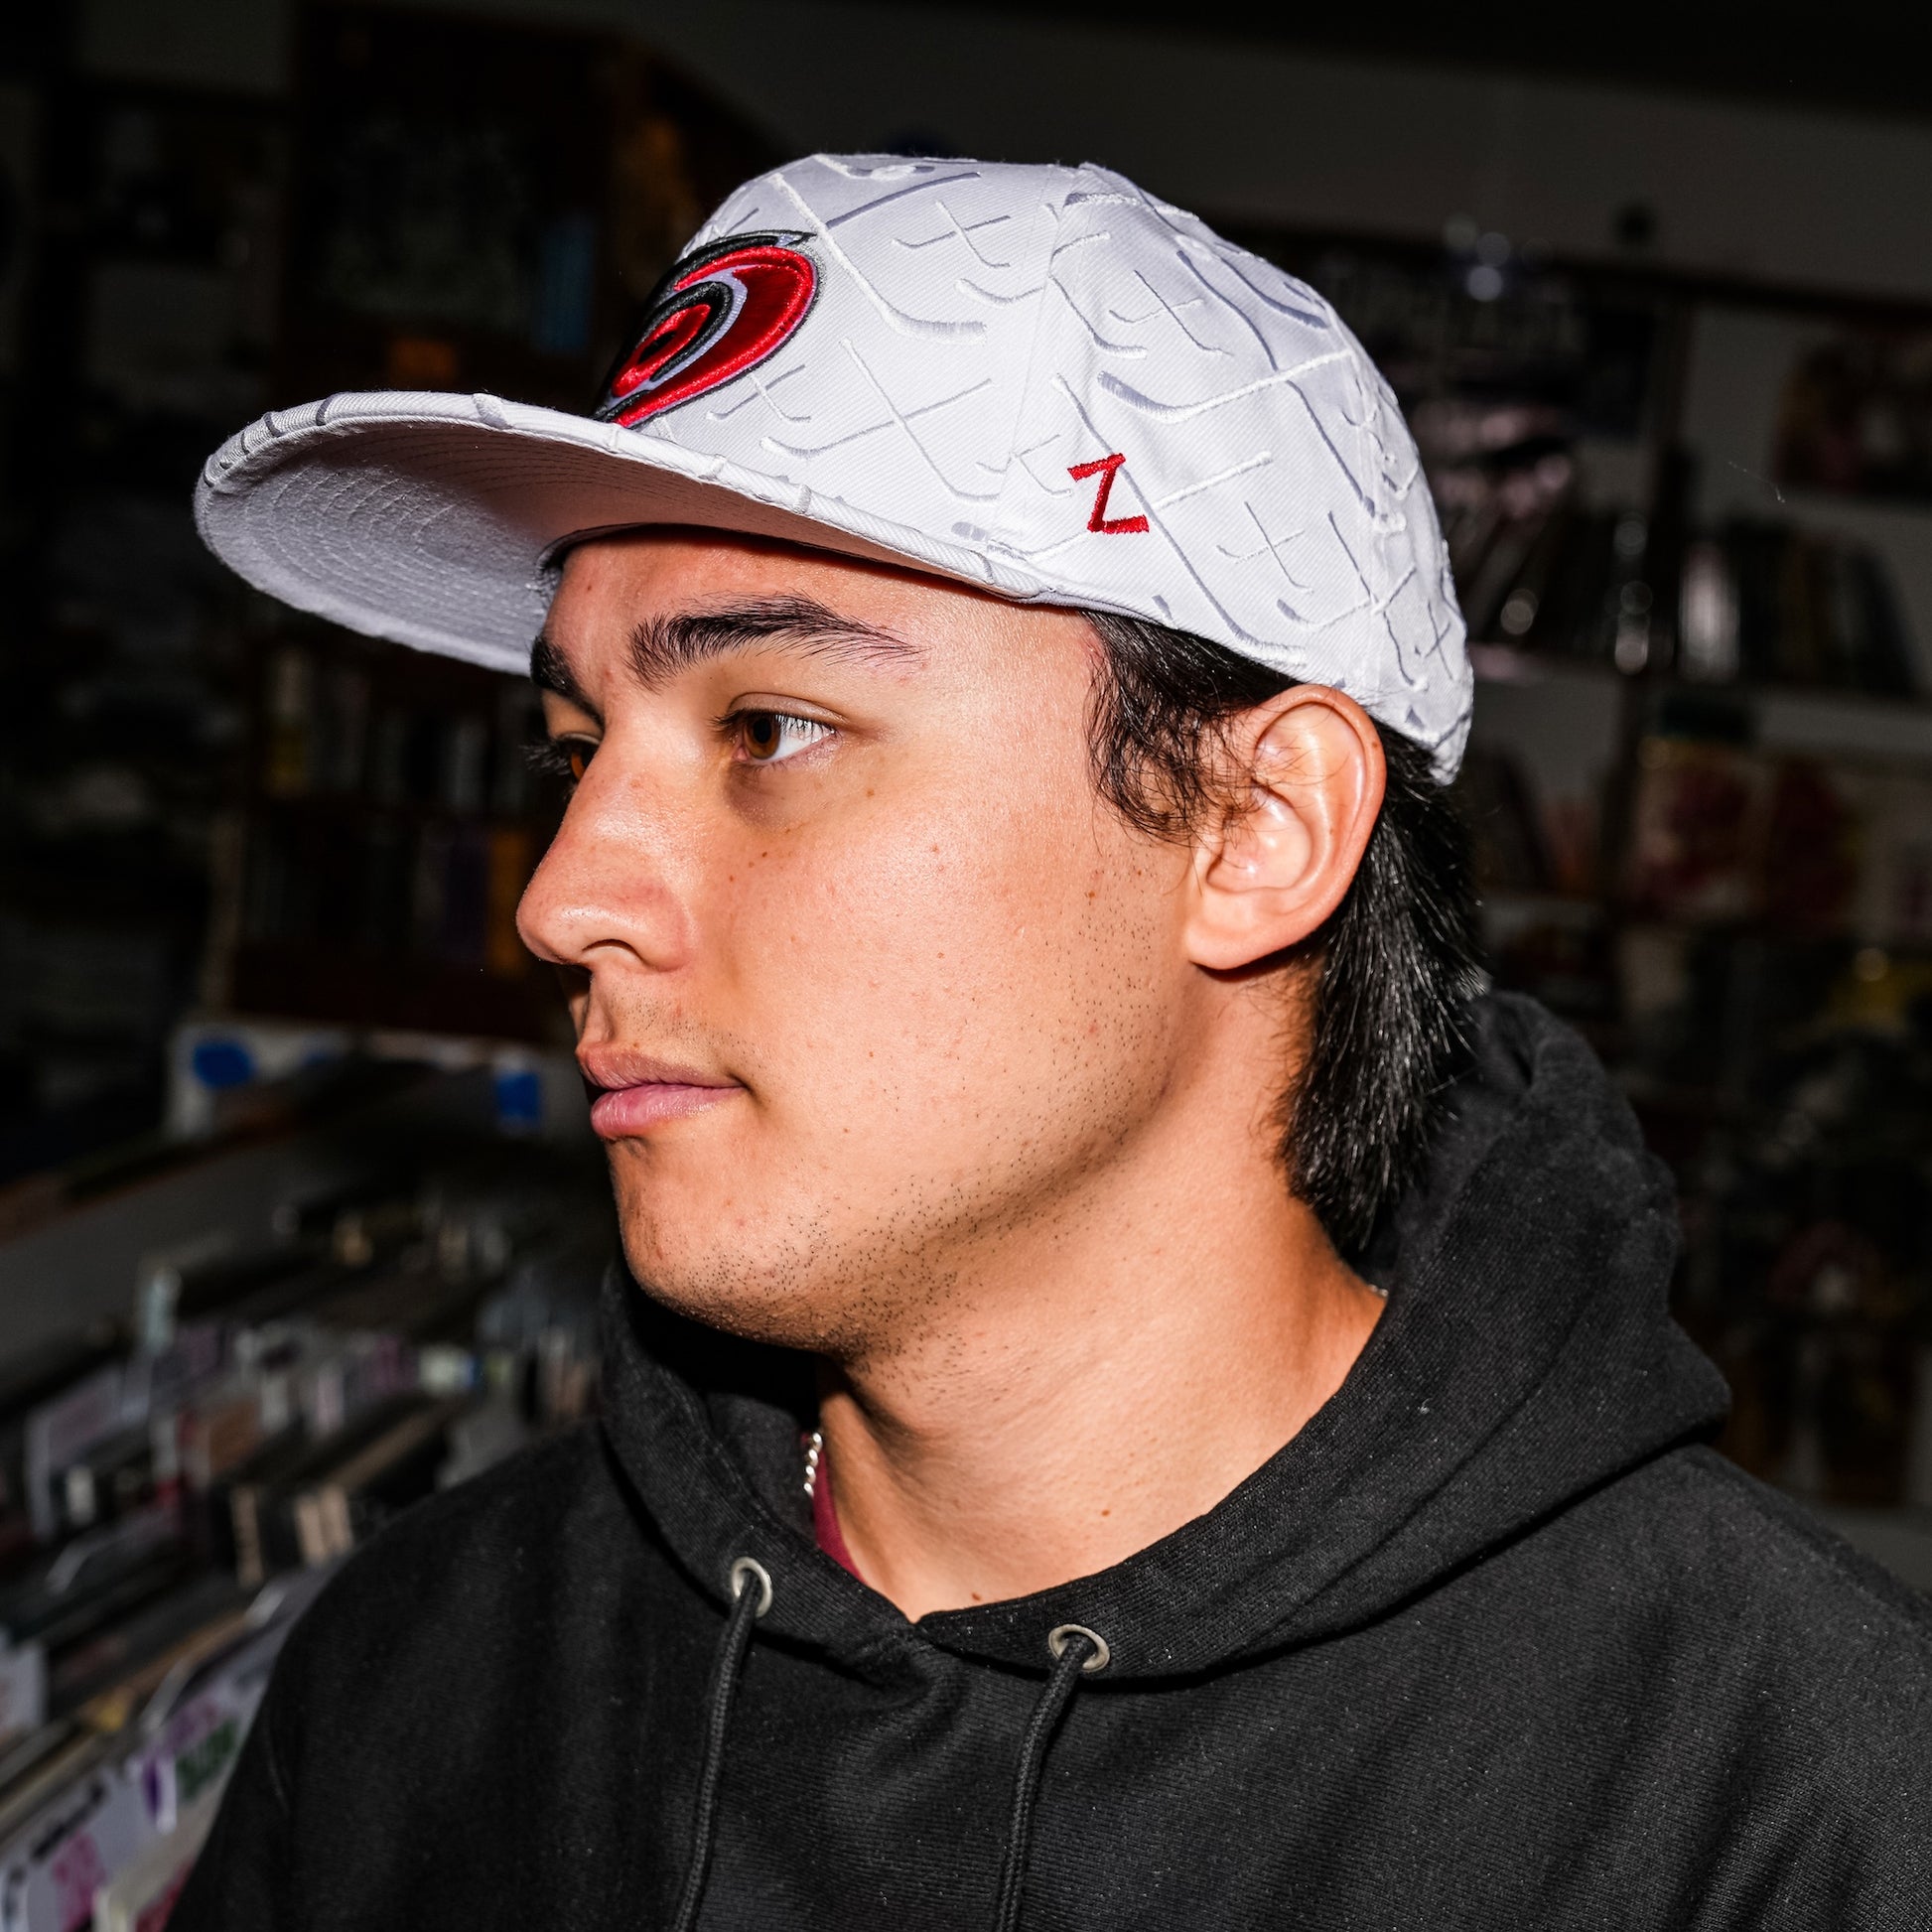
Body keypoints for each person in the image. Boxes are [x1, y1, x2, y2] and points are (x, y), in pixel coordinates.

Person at [178, 156, 1930, 1930]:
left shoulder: (1787, 1811)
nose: (560, 900)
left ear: (1254, 828)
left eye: (769, 726)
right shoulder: (429, 1680)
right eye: (575, 749)